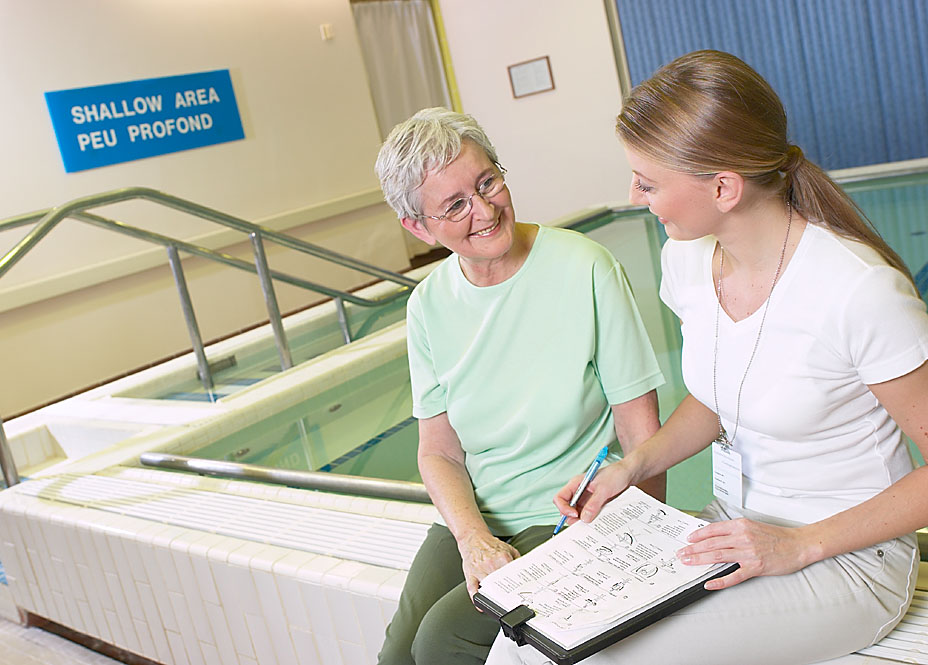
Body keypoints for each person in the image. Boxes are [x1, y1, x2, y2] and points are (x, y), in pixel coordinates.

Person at [487, 50, 928, 665]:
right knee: (526, 641)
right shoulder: (688, 259)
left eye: (647, 182)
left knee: (588, 657)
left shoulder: (857, 291)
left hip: (846, 558)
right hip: (729, 529)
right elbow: (719, 398)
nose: (634, 195)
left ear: (723, 188)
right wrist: (632, 466)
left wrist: (799, 545)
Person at [373, 107, 667, 665]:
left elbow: (640, 431)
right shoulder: (428, 305)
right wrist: (471, 538)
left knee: (444, 641)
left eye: (487, 183)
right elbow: (438, 452)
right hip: (479, 514)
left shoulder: (586, 267)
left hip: (567, 513)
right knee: (398, 656)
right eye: (455, 205)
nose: (485, 211)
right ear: (418, 227)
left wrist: (641, 549)